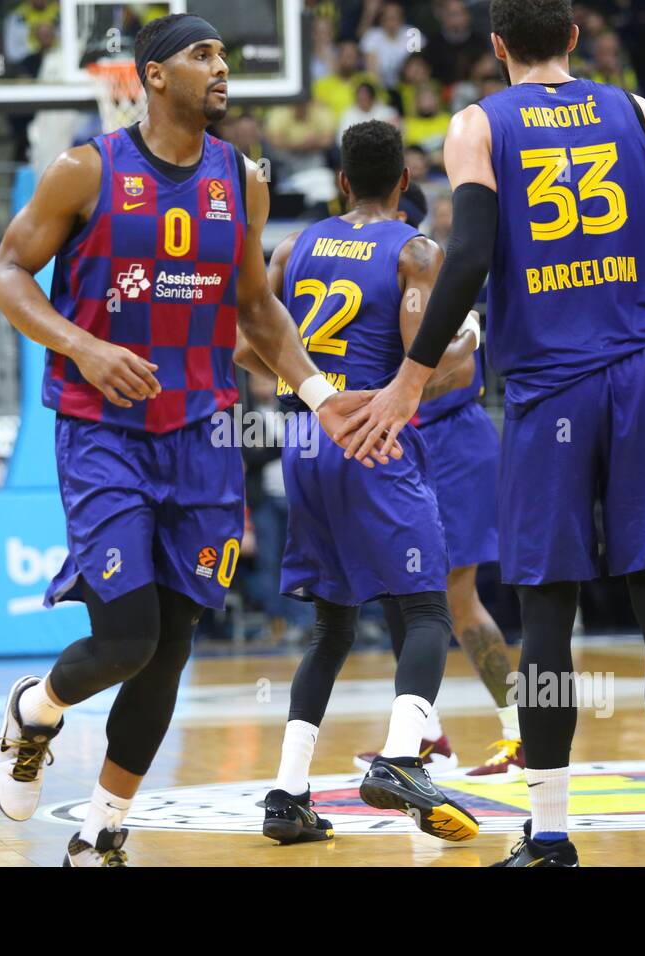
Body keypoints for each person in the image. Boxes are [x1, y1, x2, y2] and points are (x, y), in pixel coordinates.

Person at [338, 0, 645, 867]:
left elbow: (465, 259)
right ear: (575, 39)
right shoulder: (638, 112)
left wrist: (408, 379)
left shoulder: (478, 124)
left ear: (498, 46)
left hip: (551, 392)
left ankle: (548, 836)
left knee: (547, 612)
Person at [0, 13, 385, 868]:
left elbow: (257, 308)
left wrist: (318, 394)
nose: (222, 67)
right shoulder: (85, 167)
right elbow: (5, 273)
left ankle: (102, 829)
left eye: (225, 56)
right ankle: (36, 711)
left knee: (169, 652)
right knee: (125, 639)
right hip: (103, 433)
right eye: (203, 54)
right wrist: (82, 345)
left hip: (202, 435)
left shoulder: (241, 177)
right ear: (154, 75)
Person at [236, 121, 482, 846]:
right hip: (373, 438)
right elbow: (423, 367)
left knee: (333, 624)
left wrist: (317, 390)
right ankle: (402, 759)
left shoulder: (294, 245)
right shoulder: (415, 251)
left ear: (342, 180)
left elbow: (247, 349)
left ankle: (287, 793)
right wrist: (467, 343)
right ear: (404, 185)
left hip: (306, 438)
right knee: (430, 612)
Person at [350, 186, 522, 779]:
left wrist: (396, 385)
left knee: (457, 598)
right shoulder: (383, 282)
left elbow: (460, 368)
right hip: (411, 448)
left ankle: (520, 731)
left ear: (400, 218)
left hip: (454, 442)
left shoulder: (431, 270)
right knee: (404, 595)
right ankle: (425, 736)